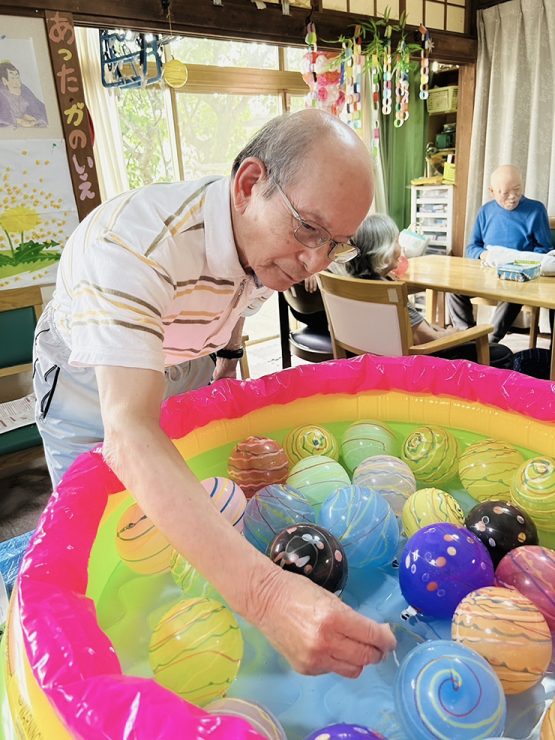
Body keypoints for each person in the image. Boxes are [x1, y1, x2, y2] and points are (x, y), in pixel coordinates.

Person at [33, 109, 396, 678]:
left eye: (338, 246)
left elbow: (236, 300)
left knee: (183, 508)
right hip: (88, 370)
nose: (313, 266)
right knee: (100, 526)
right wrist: (268, 597)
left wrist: (225, 364)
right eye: (308, 230)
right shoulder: (133, 245)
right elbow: (127, 431)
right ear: (250, 184)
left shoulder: (261, 238)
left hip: (187, 354)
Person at [336, 213, 513, 368]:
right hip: (416, 367)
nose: (401, 248)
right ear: (384, 251)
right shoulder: (389, 291)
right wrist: (456, 333)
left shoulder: (349, 284)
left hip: (374, 364)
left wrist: (440, 331)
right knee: (501, 352)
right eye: (397, 242)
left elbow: (417, 330)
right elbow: (430, 341)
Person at [447, 165, 552, 343]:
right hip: (486, 273)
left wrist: (521, 264)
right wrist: (485, 256)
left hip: (516, 277)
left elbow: (545, 249)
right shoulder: (485, 211)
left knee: (514, 293)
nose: (512, 197)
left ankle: (489, 342)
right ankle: (467, 337)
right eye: (504, 193)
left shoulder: (536, 210)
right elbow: (472, 247)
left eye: (517, 190)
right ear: (492, 191)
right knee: (452, 289)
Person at [0, 62, 47, 128]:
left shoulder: (24, 90)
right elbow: (3, 118)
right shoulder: (2, 94)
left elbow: (37, 107)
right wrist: (18, 121)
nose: (17, 80)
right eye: (13, 78)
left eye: (17, 76)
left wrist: (33, 117)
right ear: (4, 81)